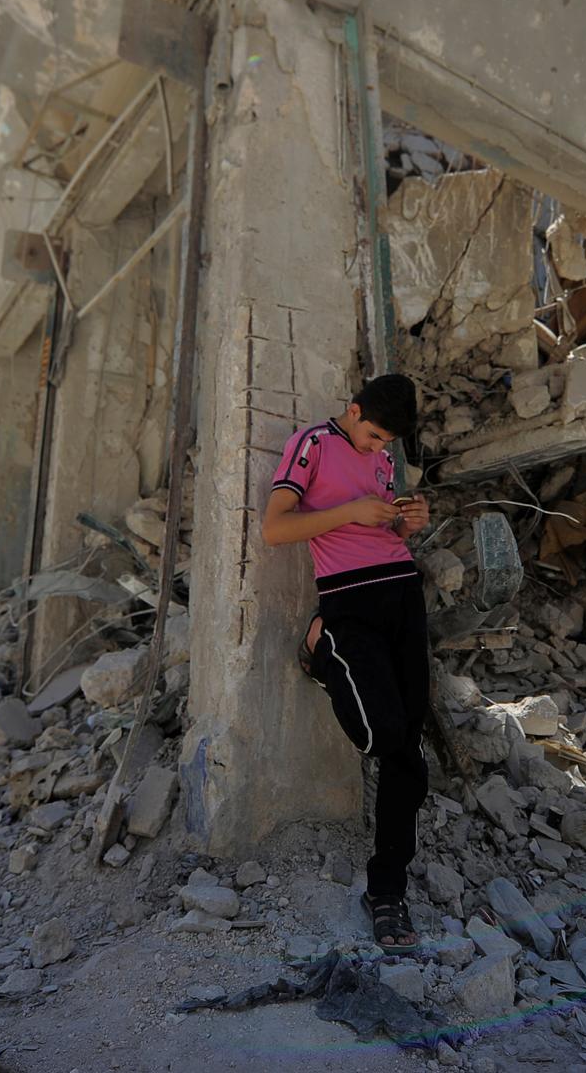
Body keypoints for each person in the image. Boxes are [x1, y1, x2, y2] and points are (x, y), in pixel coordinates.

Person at [261, 374, 431, 949]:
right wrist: (353, 511)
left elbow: (380, 523)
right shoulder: (313, 444)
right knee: (381, 734)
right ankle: (319, 644)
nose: (379, 449)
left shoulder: (381, 462)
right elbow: (275, 528)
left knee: (410, 747)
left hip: (402, 591)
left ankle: (387, 893)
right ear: (352, 411)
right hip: (349, 600)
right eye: (374, 435)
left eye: (388, 443)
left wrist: (405, 521)